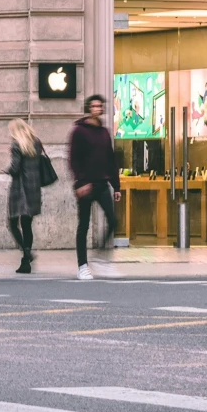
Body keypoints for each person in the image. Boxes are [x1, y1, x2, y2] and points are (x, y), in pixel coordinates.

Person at [68, 93, 122, 281]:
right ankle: (82, 266)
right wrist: (80, 183)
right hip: (85, 186)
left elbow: (110, 160)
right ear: (88, 108)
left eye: (100, 106)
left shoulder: (104, 132)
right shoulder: (79, 131)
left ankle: (100, 258)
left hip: (102, 184)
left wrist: (116, 186)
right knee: (83, 226)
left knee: (113, 221)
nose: (97, 109)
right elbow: (73, 159)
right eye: (94, 106)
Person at [6, 118, 53, 273]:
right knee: (27, 225)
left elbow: (15, 168)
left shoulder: (16, 145)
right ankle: (26, 262)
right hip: (33, 188)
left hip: (19, 189)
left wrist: (7, 170)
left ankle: (27, 253)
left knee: (12, 223)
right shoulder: (36, 142)